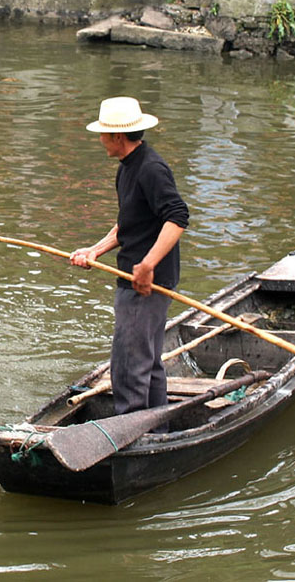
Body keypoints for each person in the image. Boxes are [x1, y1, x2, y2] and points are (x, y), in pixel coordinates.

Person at [70, 96, 189, 424]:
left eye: (103, 134)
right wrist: (95, 250)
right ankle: (156, 430)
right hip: (134, 276)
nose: (100, 140)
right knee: (147, 364)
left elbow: (177, 217)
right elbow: (129, 223)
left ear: (117, 137)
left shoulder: (151, 168)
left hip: (147, 283)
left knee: (129, 365)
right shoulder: (128, 169)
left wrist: (148, 264)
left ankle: (131, 432)